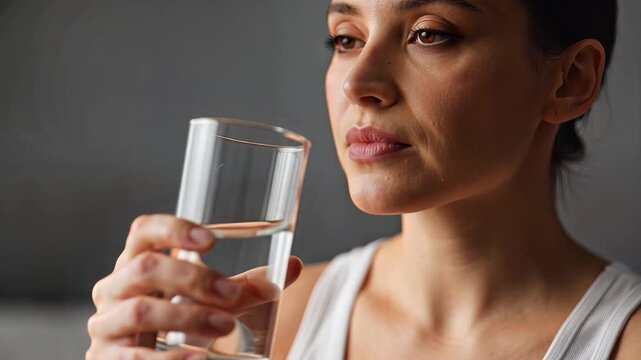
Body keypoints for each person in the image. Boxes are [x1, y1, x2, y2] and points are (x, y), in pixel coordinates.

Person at [87, 0, 641, 359]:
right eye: (346, 38)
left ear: (570, 80)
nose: (359, 82)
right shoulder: (266, 323)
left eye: (429, 33)